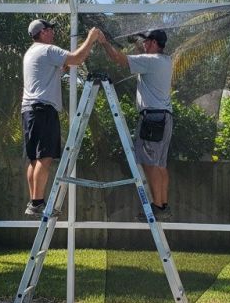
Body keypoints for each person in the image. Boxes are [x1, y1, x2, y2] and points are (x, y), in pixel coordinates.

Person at [21, 19, 100, 216]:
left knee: (33, 159)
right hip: (43, 110)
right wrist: (91, 38)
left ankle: (33, 202)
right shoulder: (48, 50)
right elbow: (77, 58)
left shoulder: (31, 52)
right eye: (50, 30)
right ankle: (38, 203)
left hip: (30, 111)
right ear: (42, 32)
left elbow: (56, 70)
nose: (53, 33)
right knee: (44, 157)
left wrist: (65, 65)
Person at [100, 28, 173, 220]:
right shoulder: (165, 60)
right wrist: (137, 45)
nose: (144, 44)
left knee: (149, 163)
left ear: (155, 43)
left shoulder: (150, 61)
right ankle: (163, 205)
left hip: (152, 118)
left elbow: (119, 59)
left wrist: (104, 42)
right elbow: (143, 57)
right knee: (160, 164)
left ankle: (157, 206)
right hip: (164, 117)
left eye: (147, 41)